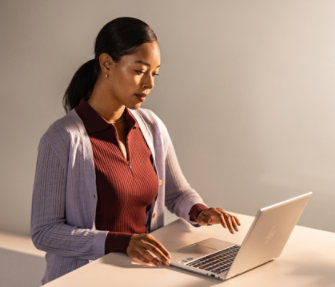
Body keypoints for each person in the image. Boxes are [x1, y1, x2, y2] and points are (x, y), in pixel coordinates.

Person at [31, 17, 240, 284]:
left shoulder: (151, 127)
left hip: (141, 277)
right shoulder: (61, 139)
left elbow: (177, 193)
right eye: (140, 71)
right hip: (85, 279)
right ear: (107, 63)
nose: (149, 84)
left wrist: (199, 211)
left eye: (154, 73)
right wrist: (121, 242)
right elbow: (44, 232)